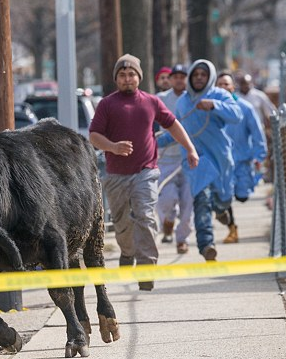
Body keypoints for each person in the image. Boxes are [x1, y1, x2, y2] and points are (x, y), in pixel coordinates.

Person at [89, 54, 199, 291]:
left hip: (146, 171)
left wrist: (190, 148)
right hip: (116, 174)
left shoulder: (151, 101)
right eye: (122, 75)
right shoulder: (107, 104)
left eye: (131, 75)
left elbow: (173, 125)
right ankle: (127, 252)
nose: (127, 79)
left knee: (146, 216)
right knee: (121, 223)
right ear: (116, 79)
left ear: (139, 77)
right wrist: (113, 147)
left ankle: (147, 267)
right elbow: (94, 136)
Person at [157, 59, 242, 261]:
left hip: (220, 159)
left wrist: (214, 105)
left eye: (203, 75)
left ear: (209, 77)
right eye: (196, 75)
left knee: (223, 199)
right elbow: (178, 131)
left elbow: (237, 115)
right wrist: (154, 142)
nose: (199, 78)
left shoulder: (220, 95)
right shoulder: (183, 102)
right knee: (201, 202)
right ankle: (206, 245)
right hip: (196, 162)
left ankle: (222, 211)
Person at [215, 72, 267, 244]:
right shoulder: (210, 109)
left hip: (242, 161)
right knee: (224, 197)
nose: (223, 88)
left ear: (232, 87)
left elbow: (257, 133)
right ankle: (232, 229)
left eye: (226, 84)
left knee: (242, 196)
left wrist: (259, 155)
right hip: (221, 163)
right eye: (219, 84)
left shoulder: (245, 108)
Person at [156, 64, 193, 254]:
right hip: (165, 159)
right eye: (175, 76)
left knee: (188, 204)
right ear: (169, 80)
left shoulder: (194, 99)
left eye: (183, 76)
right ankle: (168, 220)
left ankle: (182, 239)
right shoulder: (160, 99)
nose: (179, 80)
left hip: (188, 159)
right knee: (166, 199)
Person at [234, 71, 275, 181]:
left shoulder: (259, 96)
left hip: (256, 130)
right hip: (240, 132)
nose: (245, 86)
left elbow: (270, 111)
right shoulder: (236, 98)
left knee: (258, 154)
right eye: (243, 83)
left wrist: (271, 125)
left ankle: (257, 175)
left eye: (247, 83)